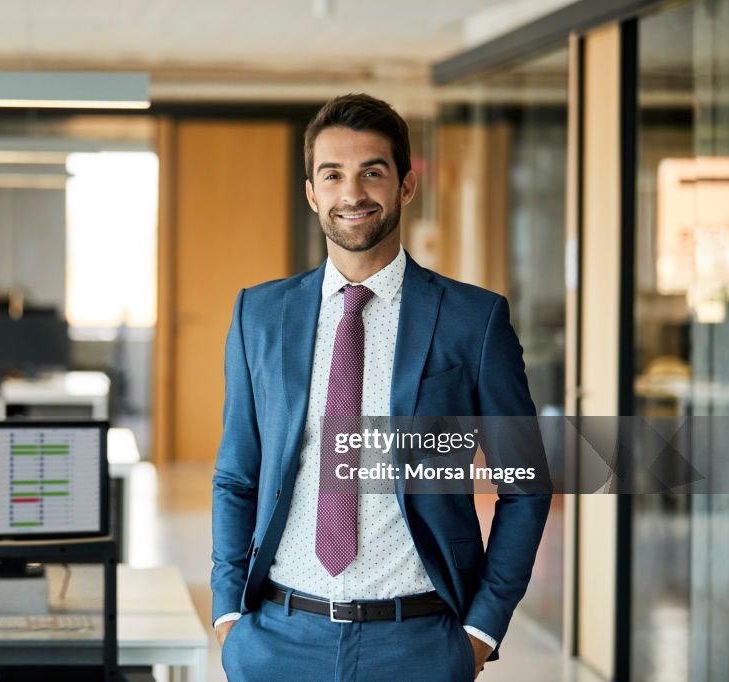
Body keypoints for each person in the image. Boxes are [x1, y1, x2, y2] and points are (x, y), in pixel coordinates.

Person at [211, 93, 551, 681]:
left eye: (373, 171)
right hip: (278, 639)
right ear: (312, 192)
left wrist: (480, 630)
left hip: (417, 643)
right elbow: (237, 475)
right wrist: (228, 617)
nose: (353, 193)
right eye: (333, 174)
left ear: (406, 186)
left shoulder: (474, 321)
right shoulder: (258, 316)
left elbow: (525, 484)